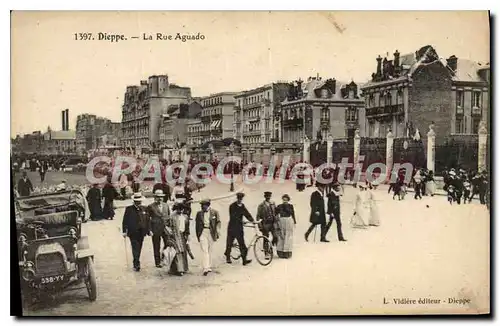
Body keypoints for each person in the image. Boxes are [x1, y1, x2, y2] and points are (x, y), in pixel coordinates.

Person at [122, 193, 150, 272]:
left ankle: (136, 260)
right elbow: (125, 221)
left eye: (140, 201)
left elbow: (147, 220)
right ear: (134, 201)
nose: (139, 203)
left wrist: (149, 230)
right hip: (132, 232)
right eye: (137, 201)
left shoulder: (145, 208)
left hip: (142, 232)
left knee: (139, 247)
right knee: (135, 247)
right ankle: (136, 263)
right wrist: (124, 231)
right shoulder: (129, 209)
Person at [224, 192, 254, 265]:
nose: (240, 200)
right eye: (239, 198)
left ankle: (244, 260)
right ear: (237, 198)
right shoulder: (232, 206)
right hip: (232, 227)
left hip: (239, 228)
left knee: (242, 243)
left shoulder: (242, 206)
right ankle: (227, 256)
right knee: (229, 243)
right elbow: (233, 216)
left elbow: (247, 214)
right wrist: (241, 221)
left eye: (241, 199)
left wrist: (252, 220)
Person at [195, 199, 221, 276]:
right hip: (203, 232)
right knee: (204, 250)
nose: (202, 207)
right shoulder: (199, 214)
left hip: (211, 232)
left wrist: (218, 231)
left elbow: (218, 222)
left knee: (210, 250)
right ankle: (205, 268)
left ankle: (208, 266)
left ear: (208, 205)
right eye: (201, 205)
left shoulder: (215, 212)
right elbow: (197, 225)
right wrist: (198, 236)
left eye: (203, 205)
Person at [164, 202, 190, 276]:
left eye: (182, 209)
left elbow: (187, 227)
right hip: (175, 235)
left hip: (182, 235)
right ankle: (179, 269)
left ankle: (184, 268)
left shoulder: (185, 216)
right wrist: (169, 232)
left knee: (183, 252)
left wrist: (187, 235)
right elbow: (166, 225)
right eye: (179, 209)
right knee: (177, 252)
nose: (181, 211)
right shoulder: (172, 216)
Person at [147, 189, 170, 268]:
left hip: (165, 228)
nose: (159, 198)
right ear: (155, 197)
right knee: (156, 245)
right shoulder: (150, 206)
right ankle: (157, 262)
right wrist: (149, 230)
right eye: (158, 197)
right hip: (155, 228)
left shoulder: (166, 205)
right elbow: (148, 219)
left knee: (168, 244)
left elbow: (168, 216)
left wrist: (169, 227)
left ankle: (164, 258)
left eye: (161, 197)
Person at [256, 191, 277, 259]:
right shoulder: (261, 205)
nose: (268, 197)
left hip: (272, 223)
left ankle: (270, 247)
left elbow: (276, 213)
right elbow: (258, 216)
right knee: (266, 238)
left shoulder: (273, 204)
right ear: (265, 197)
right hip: (265, 224)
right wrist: (260, 225)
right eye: (267, 196)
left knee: (275, 236)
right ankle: (266, 253)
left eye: (269, 196)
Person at [275, 194, 296, 258]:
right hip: (281, 221)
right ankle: (280, 252)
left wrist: (294, 221)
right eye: (284, 199)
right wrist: (276, 221)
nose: (285, 201)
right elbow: (276, 214)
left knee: (288, 236)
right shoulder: (279, 206)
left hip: (288, 221)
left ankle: (287, 252)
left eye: (286, 199)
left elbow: (292, 214)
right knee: (281, 236)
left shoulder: (290, 206)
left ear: (288, 200)